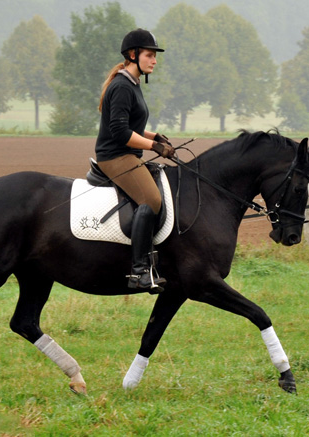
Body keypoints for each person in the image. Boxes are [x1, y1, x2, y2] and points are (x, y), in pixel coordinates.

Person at [95, 28, 175, 294]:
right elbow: (120, 132)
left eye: (155, 56)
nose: (154, 61)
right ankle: (139, 271)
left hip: (128, 153)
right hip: (115, 157)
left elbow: (131, 127)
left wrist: (155, 136)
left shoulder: (132, 84)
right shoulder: (121, 86)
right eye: (150, 55)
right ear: (133, 55)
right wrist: (153, 146)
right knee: (151, 200)